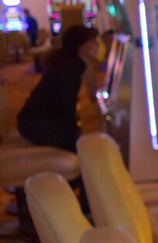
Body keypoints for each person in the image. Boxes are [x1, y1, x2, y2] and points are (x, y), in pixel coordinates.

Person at [16, 23, 97, 152]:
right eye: (93, 41)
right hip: (35, 125)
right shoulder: (69, 71)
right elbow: (68, 112)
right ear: (81, 46)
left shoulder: (71, 65)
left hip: (37, 121)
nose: (98, 45)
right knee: (82, 145)